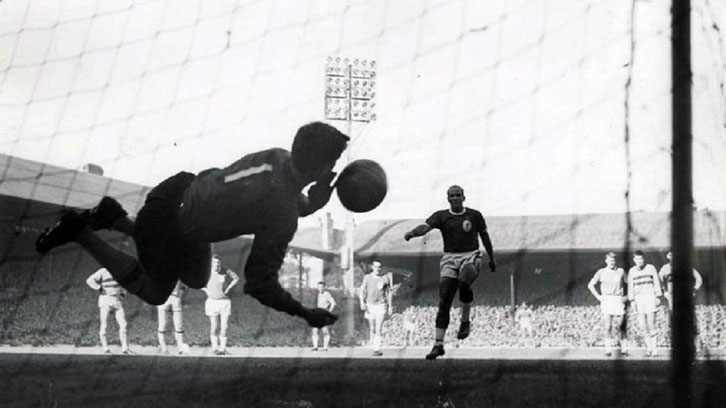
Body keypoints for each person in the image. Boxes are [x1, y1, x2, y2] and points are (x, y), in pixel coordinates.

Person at [35, 122, 347, 331]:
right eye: (330, 165)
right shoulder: (283, 213)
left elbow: (277, 197)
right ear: (322, 168)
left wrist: (311, 204)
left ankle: (114, 218)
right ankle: (80, 231)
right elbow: (258, 284)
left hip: (179, 190)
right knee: (156, 293)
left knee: (198, 277)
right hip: (168, 224)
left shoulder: (277, 157)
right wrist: (305, 313)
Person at [403, 185, 496, 360]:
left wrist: (491, 258)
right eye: (451, 196)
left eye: (458, 195)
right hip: (450, 258)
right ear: (448, 199)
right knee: (444, 299)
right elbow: (426, 227)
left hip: (470, 256)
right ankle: (438, 345)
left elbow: (484, 237)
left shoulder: (474, 215)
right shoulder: (441, 216)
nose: (455, 198)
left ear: (464, 197)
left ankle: (465, 321)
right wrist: (412, 233)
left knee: (464, 281)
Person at [658, 250, 704, 353]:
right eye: (670, 255)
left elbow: (699, 278)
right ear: (668, 256)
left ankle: (698, 348)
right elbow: (658, 280)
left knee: (691, 322)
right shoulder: (665, 269)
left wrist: (694, 291)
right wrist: (664, 292)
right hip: (673, 298)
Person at [587, 252, 628, 356]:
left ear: (616, 261)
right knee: (608, 326)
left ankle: (624, 350)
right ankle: (608, 350)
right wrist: (598, 297)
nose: (611, 262)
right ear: (606, 261)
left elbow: (629, 283)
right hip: (607, 300)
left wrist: (627, 297)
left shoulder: (621, 271)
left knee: (620, 326)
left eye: (613, 260)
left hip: (618, 299)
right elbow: (590, 285)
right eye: (609, 260)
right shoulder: (601, 272)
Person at [86, 267, 131, 354]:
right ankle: (105, 348)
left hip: (117, 300)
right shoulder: (103, 271)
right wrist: (99, 288)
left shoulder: (120, 272)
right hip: (105, 300)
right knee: (104, 325)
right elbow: (89, 280)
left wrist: (122, 295)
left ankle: (124, 348)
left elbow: (124, 285)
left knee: (123, 324)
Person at [627, 250, 663, 357]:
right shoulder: (632, 271)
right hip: (638, 299)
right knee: (642, 326)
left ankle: (655, 350)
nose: (639, 261)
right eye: (637, 259)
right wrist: (632, 300)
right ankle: (649, 349)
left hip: (650, 297)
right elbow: (630, 287)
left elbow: (656, 282)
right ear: (634, 260)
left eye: (641, 258)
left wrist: (657, 296)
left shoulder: (651, 268)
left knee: (651, 324)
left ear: (644, 259)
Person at [202, 255, 239, 355]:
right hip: (212, 302)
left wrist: (228, 289)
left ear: (220, 264)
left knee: (225, 326)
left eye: (218, 263)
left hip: (224, 302)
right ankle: (215, 348)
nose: (216, 265)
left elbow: (236, 278)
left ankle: (222, 349)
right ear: (211, 264)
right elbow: (198, 282)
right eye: (214, 263)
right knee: (214, 326)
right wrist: (206, 290)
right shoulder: (207, 272)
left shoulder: (225, 271)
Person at [359, 260, 393, 356]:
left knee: (379, 328)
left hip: (381, 305)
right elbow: (361, 290)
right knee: (372, 328)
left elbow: (389, 293)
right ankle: (374, 345)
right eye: (376, 266)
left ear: (381, 268)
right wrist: (362, 302)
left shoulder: (385, 278)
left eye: (379, 267)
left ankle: (376, 349)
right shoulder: (367, 278)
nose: (378, 269)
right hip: (370, 305)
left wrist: (390, 306)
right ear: (372, 267)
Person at [157, 280, 190, 355]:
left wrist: (181, 291)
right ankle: (164, 348)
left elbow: (185, 283)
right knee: (162, 323)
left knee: (178, 324)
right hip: (163, 298)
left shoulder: (178, 270)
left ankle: (180, 348)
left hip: (175, 298)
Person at [311, 281, 336, 351]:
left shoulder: (327, 294)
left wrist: (329, 311)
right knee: (315, 330)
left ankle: (325, 347)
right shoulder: (317, 294)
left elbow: (333, 303)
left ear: (324, 287)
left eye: (322, 287)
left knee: (325, 330)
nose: (320, 288)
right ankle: (315, 347)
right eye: (319, 287)